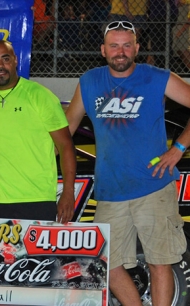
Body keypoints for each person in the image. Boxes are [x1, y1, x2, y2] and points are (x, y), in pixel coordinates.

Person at [65, 21, 190, 305]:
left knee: (161, 262)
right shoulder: (90, 81)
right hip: (110, 192)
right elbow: (65, 130)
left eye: (126, 45)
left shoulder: (157, 77)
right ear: (103, 50)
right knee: (105, 263)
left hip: (154, 188)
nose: (120, 52)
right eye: (113, 46)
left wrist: (178, 148)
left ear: (136, 48)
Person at [0, 40, 76, 224]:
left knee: (37, 255)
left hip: (39, 200)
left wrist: (68, 192)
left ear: (15, 60)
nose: (0, 66)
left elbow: (66, 145)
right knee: (2, 254)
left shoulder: (39, 95)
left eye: (5, 59)